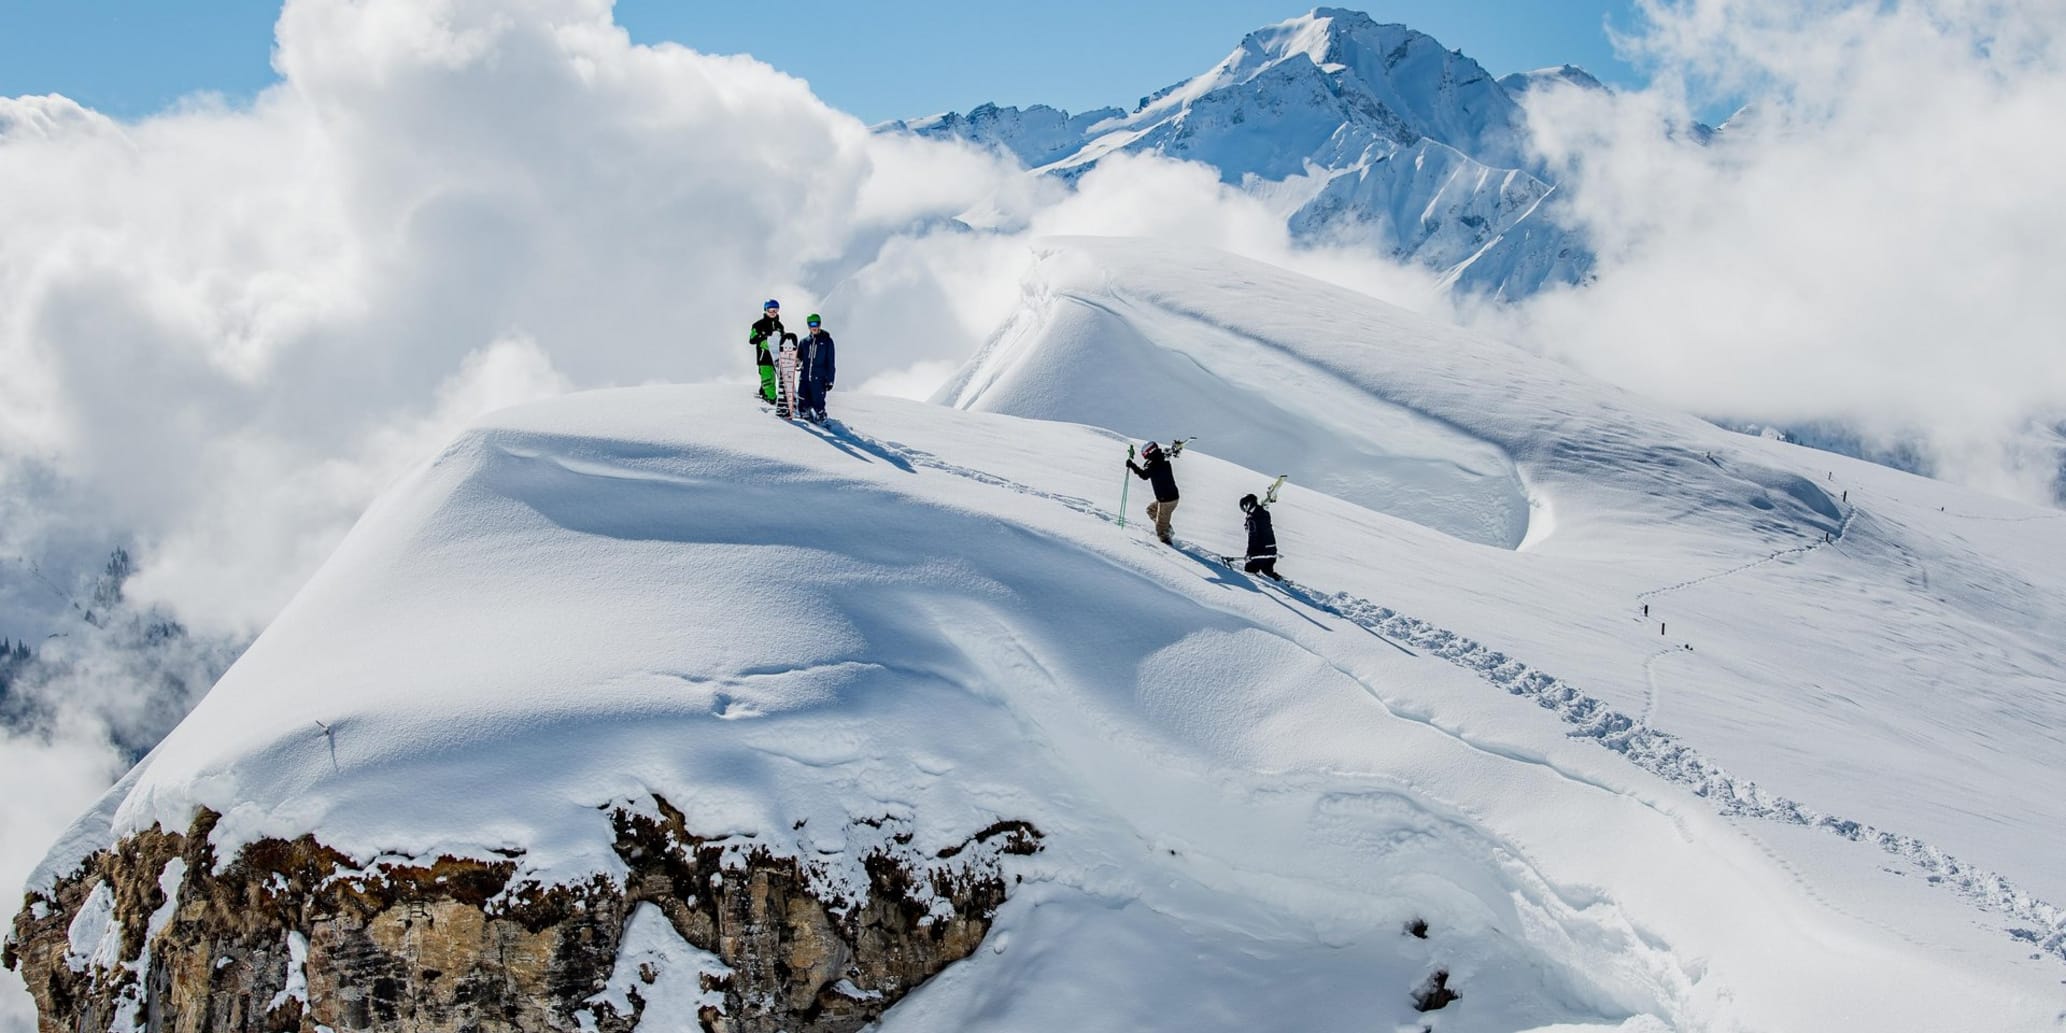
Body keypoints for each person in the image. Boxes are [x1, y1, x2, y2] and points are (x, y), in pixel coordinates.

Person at [1126, 440, 1182, 544]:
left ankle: (1166, 542)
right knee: (1151, 510)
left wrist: (1132, 465)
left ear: (1148, 452)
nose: (1144, 456)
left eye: (1144, 454)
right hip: (1170, 497)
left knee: (1160, 530)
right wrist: (1175, 448)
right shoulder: (1162, 457)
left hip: (1166, 501)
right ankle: (1167, 528)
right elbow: (1169, 453)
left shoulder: (1153, 463)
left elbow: (1144, 475)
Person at [797, 313, 836, 423]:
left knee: (818, 401)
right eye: (811, 324)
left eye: (816, 324)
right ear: (808, 326)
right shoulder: (804, 342)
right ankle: (805, 416)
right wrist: (796, 362)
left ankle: (821, 418)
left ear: (820, 324)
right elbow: (799, 357)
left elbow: (831, 362)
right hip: (804, 378)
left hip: (819, 378)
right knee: (803, 400)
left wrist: (830, 380)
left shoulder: (827, 341)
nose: (814, 327)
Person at [749, 299, 785, 404]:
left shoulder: (779, 326)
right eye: (770, 310)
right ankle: (770, 398)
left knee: (779, 379)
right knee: (768, 378)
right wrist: (763, 337)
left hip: (777, 357)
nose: (773, 313)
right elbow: (752, 339)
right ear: (765, 310)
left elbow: (782, 339)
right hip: (764, 357)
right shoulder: (758, 325)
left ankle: (765, 392)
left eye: (775, 310)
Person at [1239, 493, 1282, 581]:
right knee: (1266, 569)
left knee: (1249, 569)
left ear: (1249, 504)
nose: (1245, 510)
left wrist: (1249, 553)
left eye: (1244, 507)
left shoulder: (1252, 519)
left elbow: (1253, 537)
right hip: (1272, 551)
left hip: (1260, 553)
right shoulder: (1265, 513)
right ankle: (1276, 578)